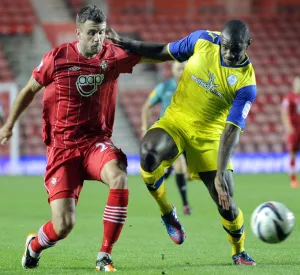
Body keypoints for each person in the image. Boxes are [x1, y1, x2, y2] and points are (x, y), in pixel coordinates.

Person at [0, 5, 142, 272]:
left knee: (119, 175)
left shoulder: (112, 56)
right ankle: (34, 245)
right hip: (62, 148)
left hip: (94, 142)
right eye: (91, 33)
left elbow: (151, 57)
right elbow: (29, 90)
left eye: (101, 33)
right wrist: (9, 125)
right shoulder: (58, 57)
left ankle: (104, 255)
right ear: (78, 32)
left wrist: (182, 51)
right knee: (63, 225)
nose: (97, 39)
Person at [107, 19, 257, 265]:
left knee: (226, 204)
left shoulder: (246, 84)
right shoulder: (203, 41)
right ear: (221, 40)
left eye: (236, 49)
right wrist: (127, 43)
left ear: (248, 45)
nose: (229, 53)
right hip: (177, 120)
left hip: (210, 136)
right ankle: (168, 213)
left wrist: (220, 173)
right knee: (148, 154)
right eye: (226, 46)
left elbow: (231, 130)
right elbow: (164, 52)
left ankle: (238, 250)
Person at [141, 61, 192, 215]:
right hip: (168, 133)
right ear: (173, 70)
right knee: (180, 168)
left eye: (184, 68)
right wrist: (145, 127)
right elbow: (146, 107)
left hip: (187, 133)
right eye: (179, 68)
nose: (181, 71)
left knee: (185, 173)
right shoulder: (164, 87)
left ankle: (166, 170)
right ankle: (185, 205)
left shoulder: (194, 87)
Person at [281, 76, 300, 188]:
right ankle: (293, 179)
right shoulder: (290, 98)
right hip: (294, 129)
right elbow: (284, 112)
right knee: (292, 152)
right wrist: (288, 126)